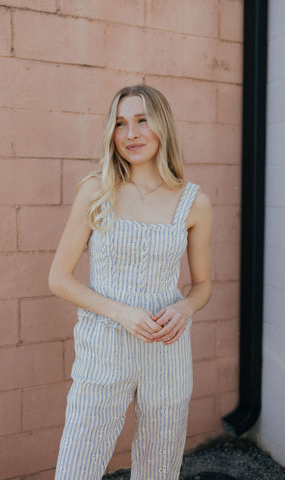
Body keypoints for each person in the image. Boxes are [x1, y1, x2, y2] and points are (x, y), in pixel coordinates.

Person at [49, 84, 212, 480]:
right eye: (120, 124)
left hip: (167, 351)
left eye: (142, 121)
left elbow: (203, 283)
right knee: (77, 466)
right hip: (103, 346)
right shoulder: (96, 190)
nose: (131, 134)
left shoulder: (194, 202)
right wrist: (120, 312)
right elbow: (59, 278)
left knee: (159, 469)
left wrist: (184, 307)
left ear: (162, 126)